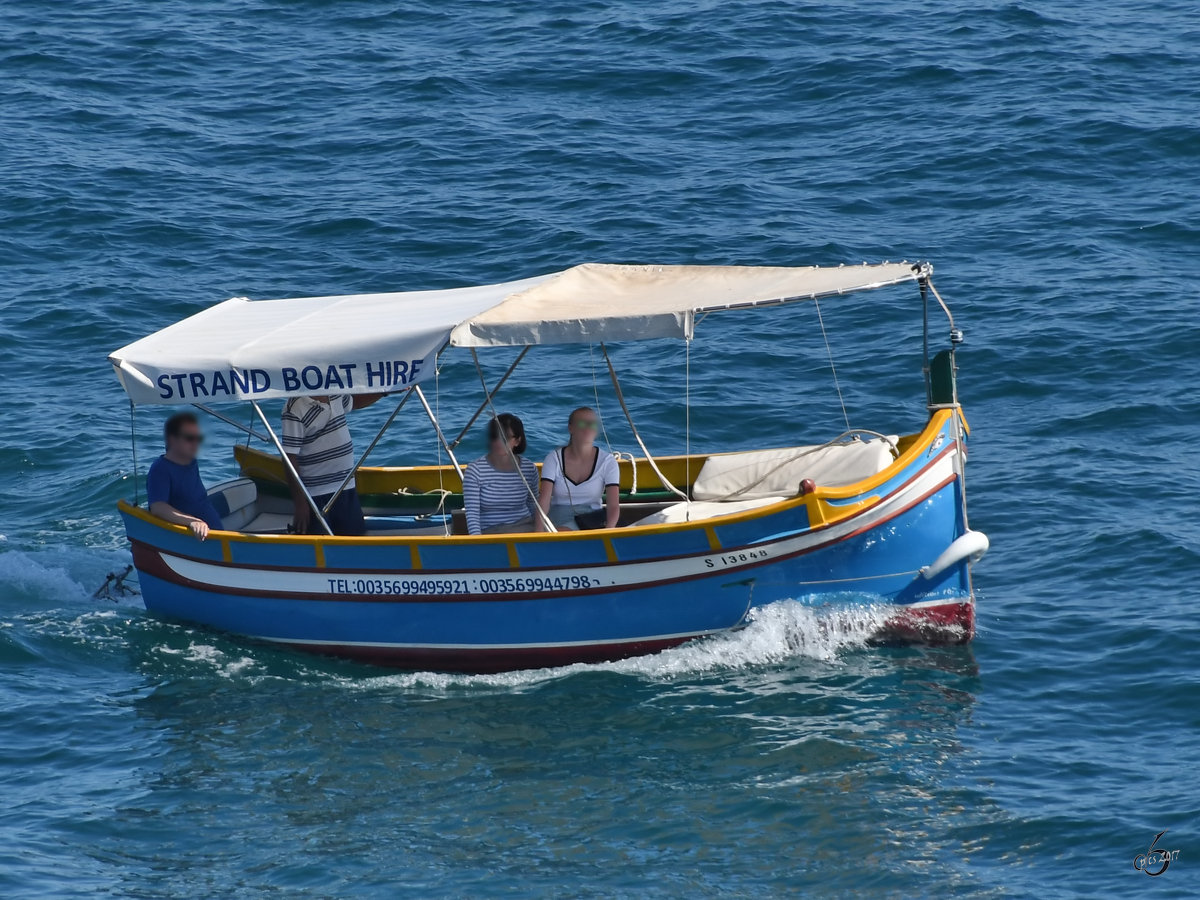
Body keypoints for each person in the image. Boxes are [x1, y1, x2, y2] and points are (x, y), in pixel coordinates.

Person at [282, 393, 383, 535]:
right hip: (316, 494)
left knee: (355, 539)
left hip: (345, 487)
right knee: (321, 542)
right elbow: (289, 457)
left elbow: (354, 402)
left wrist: (384, 392)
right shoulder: (294, 407)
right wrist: (300, 504)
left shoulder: (335, 391)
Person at [536, 407, 620, 531]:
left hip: (590, 517)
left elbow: (613, 506)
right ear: (571, 428)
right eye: (582, 423)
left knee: (563, 532)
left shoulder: (608, 462)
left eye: (592, 424)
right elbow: (544, 501)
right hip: (558, 514)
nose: (588, 428)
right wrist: (538, 532)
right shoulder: (553, 459)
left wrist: (608, 531)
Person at [146, 411, 224, 541]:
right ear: (173, 439)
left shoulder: (191, 461)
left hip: (215, 537)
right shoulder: (160, 469)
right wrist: (192, 522)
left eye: (198, 438)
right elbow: (157, 507)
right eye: (189, 438)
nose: (196, 443)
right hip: (194, 540)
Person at [462, 414, 540, 535]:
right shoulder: (475, 470)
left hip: (524, 526)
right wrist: (477, 541)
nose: (498, 442)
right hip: (491, 531)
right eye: (494, 436)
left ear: (518, 441)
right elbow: (472, 513)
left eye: (505, 437)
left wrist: (540, 533)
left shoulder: (529, 469)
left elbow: (532, 504)